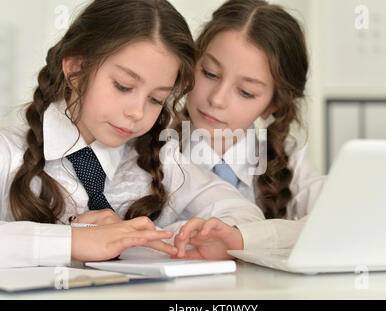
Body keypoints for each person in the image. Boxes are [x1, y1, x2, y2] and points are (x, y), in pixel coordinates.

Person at [0, 0, 264, 268]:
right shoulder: (7, 153)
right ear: (76, 69)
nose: (137, 112)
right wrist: (73, 241)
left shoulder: (163, 162)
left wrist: (146, 237)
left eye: (156, 99)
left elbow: (244, 215)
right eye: (124, 86)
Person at [171, 0, 325, 260]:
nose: (217, 99)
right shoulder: (152, 149)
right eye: (209, 73)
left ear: (272, 105)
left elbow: (342, 218)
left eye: (246, 92)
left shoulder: (287, 162)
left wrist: (244, 238)